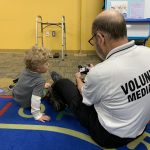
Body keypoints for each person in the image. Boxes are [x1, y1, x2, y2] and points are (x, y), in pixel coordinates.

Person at [50, 9, 150, 148]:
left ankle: (55, 87)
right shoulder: (147, 52)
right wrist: (96, 73)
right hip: (140, 128)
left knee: (66, 85)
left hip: (109, 137)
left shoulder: (100, 72)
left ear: (100, 37)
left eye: (93, 40)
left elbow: (86, 98)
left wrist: (79, 79)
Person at [13, 46, 51, 122]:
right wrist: (37, 115)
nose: (48, 64)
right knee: (47, 89)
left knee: (41, 86)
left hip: (16, 96)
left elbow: (26, 82)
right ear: (38, 69)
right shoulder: (40, 81)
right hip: (26, 103)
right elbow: (35, 99)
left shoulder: (26, 69)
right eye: (46, 64)